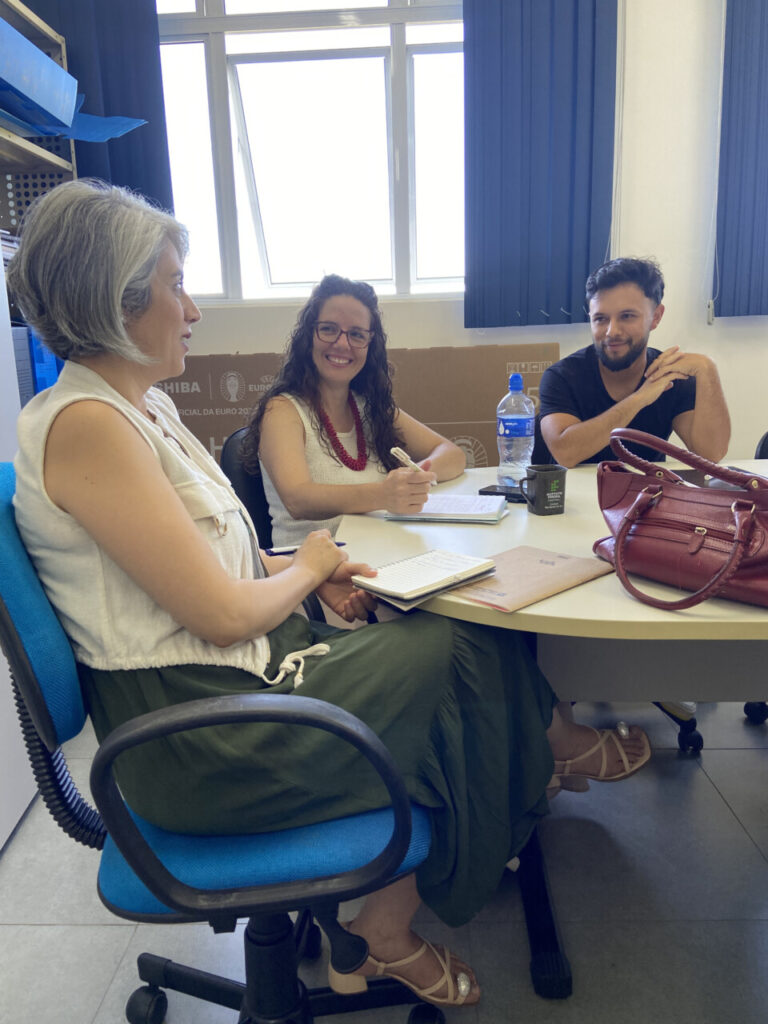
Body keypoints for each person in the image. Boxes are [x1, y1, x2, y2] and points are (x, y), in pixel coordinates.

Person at [9, 180, 650, 1011]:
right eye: (175, 285)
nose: (194, 309)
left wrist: (304, 566)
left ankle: (443, 860)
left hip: (240, 673)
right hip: (199, 736)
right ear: (113, 298)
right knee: (466, 656)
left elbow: (213, 568)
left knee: (477, 634)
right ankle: (420, 893)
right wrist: (312, 566)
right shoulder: (88, 424)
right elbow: (218, 612)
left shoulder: (142, 408)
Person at [242, 274, 466, 547]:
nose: (342, 344)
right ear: (308, 336)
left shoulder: (370, 408)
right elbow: (297, 499)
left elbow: (453, 455)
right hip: (312, 575)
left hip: (381, 557)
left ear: (370, 346)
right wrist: (385, 494)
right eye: (328, 329)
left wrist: (414, 478)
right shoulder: (282, 410)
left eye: (357, 334)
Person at [539, 257, 731, 468]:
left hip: (647, 495)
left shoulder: (669, 375)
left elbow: (711, 454)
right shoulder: (562, 376)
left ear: (656, 317)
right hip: (572, 496)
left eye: (627, 316)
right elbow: (565, 454)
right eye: (600, 319)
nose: (612, 331)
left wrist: (707, 368)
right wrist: (641, 398)